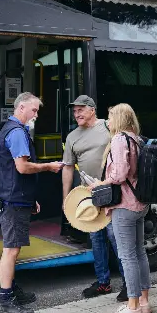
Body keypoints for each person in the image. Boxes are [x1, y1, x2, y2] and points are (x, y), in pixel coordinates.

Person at [0, 92, 64, 313]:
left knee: (14, 247)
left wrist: (30, 199)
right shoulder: (18, 133)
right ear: (21, 108)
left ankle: (11, 290)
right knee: (11, 249)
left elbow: (12, 173)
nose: (36, 115)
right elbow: (22, 168)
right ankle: (5, 300)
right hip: (12, 200)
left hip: (13, 197)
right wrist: (49, 166)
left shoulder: (8, 129)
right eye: (34, 110)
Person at [88, 103, 152, 313]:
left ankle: (133, 306)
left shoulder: (118, 139)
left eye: (110, 117)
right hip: (140, 204)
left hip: (124, 205)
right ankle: (144, 302)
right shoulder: (136, 139)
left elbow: (120, 174)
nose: (107, 121)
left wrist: (100, 183)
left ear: (119, 119)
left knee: (127, 256)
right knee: (139, 252)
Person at [62, 95, 127, 301]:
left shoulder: (109, 127)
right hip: (88, 195)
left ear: (92, 110)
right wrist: (66, 197)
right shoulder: (72, 137)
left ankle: (129, 283)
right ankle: (103, 283)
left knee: (116, 238)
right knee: (97, 239)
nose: (77, 113)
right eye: (74, 110)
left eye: (81, 109)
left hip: (113, 192)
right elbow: (68, 168)